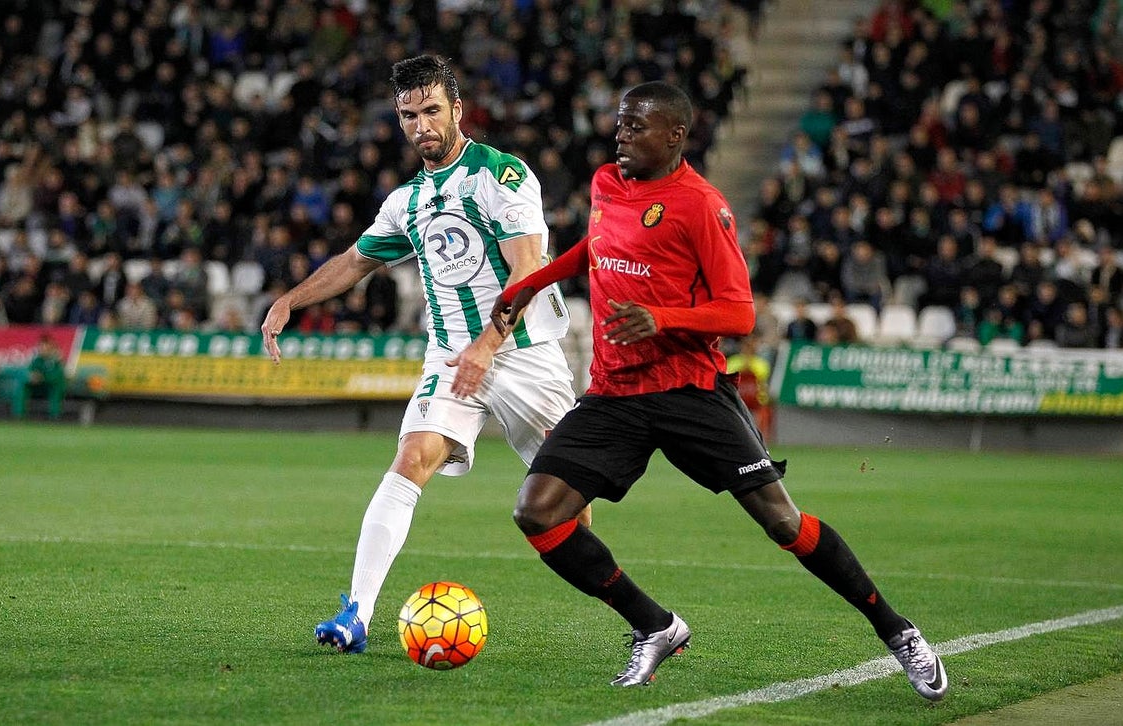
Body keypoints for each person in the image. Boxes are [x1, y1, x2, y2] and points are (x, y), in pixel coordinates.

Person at [480, 82, 947, 698]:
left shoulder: (702, 206)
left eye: (636, 126)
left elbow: (739, 312)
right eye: (619, 124)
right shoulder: (606, 184)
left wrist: (663, 318)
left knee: (782, 522)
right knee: (535, 513)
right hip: (615, 391)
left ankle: (898, 632)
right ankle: (654, 625)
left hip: (687, 390)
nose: (621, 135)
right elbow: (599, 249)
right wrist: (529, 284)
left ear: (676, 135)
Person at [259, 55, 585, 655]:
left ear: (458, 110)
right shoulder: (406, 201)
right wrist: (290, 300)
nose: (420, 125)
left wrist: (489, 345)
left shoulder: (502, 176)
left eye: (432, 110)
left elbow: (529, 267)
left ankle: (637, 615)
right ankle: (355, 614)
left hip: (524, 353)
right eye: (408, 115)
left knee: (567, 507)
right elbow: (357, 261)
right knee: (411, 457)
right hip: (450, 355)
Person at [13, 334, 67, 420]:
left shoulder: (56, 360)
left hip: (51, 386)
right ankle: (19, 415)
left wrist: (43, 377)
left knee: (56, 387)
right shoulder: (37, 360)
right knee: (22, 385)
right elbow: (29, 371)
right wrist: (31, 377)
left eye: (45, 346)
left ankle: (55, 416)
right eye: (41, 346)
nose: (42, 348)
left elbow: (58, 376)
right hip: (38, 387)